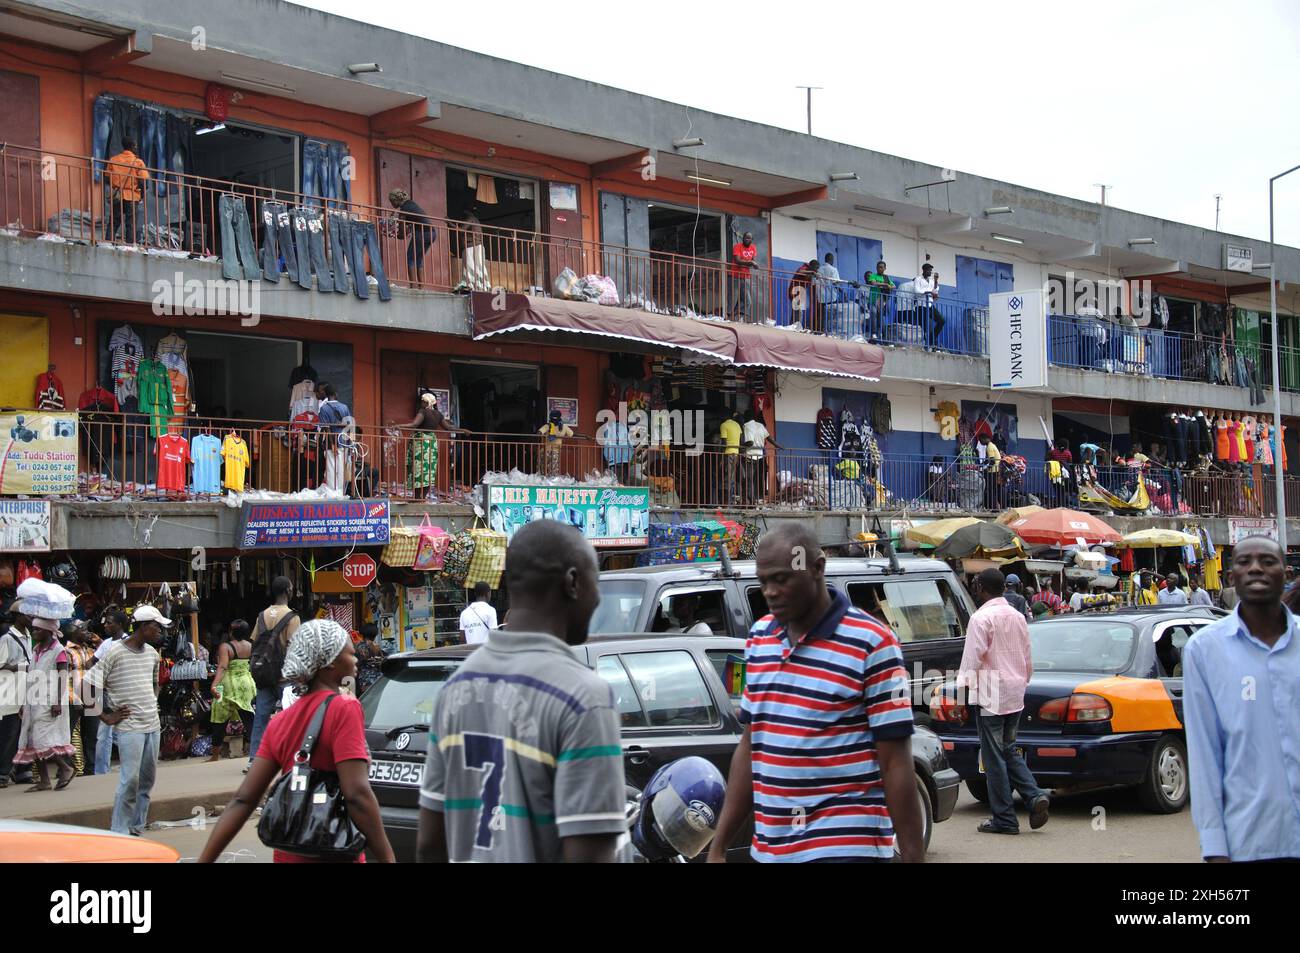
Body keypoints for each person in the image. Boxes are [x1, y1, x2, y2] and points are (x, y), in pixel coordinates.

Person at [708, 523, 922, 863]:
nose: (771, 591)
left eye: (782, 579)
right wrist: (719, 846)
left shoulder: (873, 642)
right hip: (771, 849)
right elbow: (751, 745)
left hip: (846, 847)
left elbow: (896, 761)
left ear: (818, 568)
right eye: (763, 582)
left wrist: (913, 855)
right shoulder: (758, 639)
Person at [416, 520, 625, 863]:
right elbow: (590, 854)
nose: (598, 597)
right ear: (573, 582)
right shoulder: (585, 698)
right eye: (596, 582)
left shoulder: (454, 689)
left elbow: (429, 844)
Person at [198, 619, 396, 863]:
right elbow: (356, 793)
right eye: (350, 653)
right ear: (329, 662)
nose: (356, 659)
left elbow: (243, 800)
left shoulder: (281, 721)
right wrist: (387, 856)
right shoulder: (345, 708)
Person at [1184, 536, 1300, 862]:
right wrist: (1214, 846)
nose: (1256, 569)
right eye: (1245, 562)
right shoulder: (1205, 650)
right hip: (1249, 842)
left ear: (1285, 572)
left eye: (1267, 561)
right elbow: (1205, 753)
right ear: (1231, 575)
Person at [958, 568, 1050, 835]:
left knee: (994, 756)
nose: (974, 589)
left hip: (990, 693)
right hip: (1014, 690)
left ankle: (1005, 819)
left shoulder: (981, 618)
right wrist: (1023, 680)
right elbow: (1027, 654)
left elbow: (973, 657)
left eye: (976, 585)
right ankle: (1033, 796)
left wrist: (962, 688)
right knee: (1007, 749)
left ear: (982, 588)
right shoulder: (1017, 615)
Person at [82, 605, 167, 835]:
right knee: (130, 780)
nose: (160, 631)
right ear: (142, 627)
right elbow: (87, 685)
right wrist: (105, 716)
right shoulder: (114, 652)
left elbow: (154, 684)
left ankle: (136, 827)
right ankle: (119, 830)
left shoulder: (152, 654)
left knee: (147, 782)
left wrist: (152, 703)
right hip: (130, 727)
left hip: (152, 724)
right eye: (156, 626)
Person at [13, 616, 76, 792]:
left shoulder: (59, 650)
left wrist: (57, 701)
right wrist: (24, 703)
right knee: (33, 739)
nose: (34, 632)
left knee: (43, 740)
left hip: (50, 701)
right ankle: (44, 780)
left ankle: (65, 767)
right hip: (34, 700)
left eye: (37, 630)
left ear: (48, 631)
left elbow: (63, 676)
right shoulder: (36, 650)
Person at [248, 576, 301, 769]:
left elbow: (255, 643)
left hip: (264, 674)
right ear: (288, 590)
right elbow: (294, 647)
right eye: (292, 587)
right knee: (291, 717)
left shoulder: (261, 615)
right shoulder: (292, 617)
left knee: (260, 717)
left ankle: (254, 758)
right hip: (284, 675)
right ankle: (291, 757)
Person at [391, 392, 471, 501]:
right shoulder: (438, 414)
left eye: (423, 401)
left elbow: (414, 424)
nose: (421, 403)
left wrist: (398, 426)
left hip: (421, 443)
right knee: (428, 472)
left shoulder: (423, 411)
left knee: (418, 470)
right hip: (432, 444)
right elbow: (449, 428)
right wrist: (463, 430)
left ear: (426, 402)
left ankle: (416, 497)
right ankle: (422, 498)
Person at [206, 620, 256, 762]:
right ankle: (256, 754)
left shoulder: (225, 646)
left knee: (219, 718)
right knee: (249, 718)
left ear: (231, 632)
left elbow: (222, 667)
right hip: (246, 684)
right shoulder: (250, 646)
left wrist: (214, 685)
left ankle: (215, 755)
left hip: (225, 685)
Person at [0, 601, 32, 787]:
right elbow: (1, 664)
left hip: (24, 693)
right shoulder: (7, 639)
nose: (31, 618)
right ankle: (3, 773)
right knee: (9, 734)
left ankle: (22, 771)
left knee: (24, 733)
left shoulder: (29, 636)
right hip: (9, 694)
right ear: (18, 616)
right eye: (27, 615)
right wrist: (23, 666)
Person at [61, 621, 97, 776]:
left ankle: (90, 767)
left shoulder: (90, 650)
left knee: (92, 734)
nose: (87, 632)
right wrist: (74, 698)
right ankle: (69, 768)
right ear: (74, 632)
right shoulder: (66, 651)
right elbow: (64, 678)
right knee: (68, 734)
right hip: (74, 696)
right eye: (84, 629)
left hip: (91, 696)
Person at [106, 136, 148, 243]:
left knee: (114, 221)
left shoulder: (113, 160)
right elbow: (143, 181)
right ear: (133, 146)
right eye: (136, 146)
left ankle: (108, 242)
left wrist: (117, 185)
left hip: (118, 195)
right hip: (132, 196)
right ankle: (129, 245)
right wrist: (142, 196)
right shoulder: (138, 162)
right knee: (131, 223)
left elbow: (107, 177)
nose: (136, 148)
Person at [388, 188, 435, 286]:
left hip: (421, 233)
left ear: (396, 200)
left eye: (391, 202)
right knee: (419, 258)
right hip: (432, 233)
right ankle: (421, 286)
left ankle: (413, 286)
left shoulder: (404, 210)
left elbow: (402, 233)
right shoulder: (411, 204)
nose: (392, 205)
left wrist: (395, 234)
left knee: (410, 258)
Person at [316, 382, 352, 494]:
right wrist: (350, 443)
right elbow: (349, 426)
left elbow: (326, 429)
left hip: (329, 443)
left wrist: (332, 444)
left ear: (326, 395)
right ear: (336, 394)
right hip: (344, 442)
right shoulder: (344, 407)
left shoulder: (324, 409)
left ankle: (332, 493)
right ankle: (341, 492)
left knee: (331, 469)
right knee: (341, 469)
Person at [742, 409, 781, 504]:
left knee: (748, 480)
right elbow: (769, 438)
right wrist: (780, 446)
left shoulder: (746, 426)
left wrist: (740, 447)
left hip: (750, 456)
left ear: (746, 417)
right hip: (760, 457)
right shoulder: (760, 425)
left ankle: (749, 502)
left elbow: (750, 442)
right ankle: (754, 500)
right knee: (756, 480)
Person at [538, 410, 582, 478]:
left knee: (549, 471)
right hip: (548, 451)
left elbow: (573, 434)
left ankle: (547, 483)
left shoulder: (560, 426)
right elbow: (539, 432)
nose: (554, 420)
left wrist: (584, 436)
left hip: (551, 451)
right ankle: (545, 483)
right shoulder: (551, 426)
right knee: (546, 470)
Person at [913, 261, 945, 350]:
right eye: (929, 270)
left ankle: (931, 340)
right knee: (925, 327)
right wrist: (928, 292)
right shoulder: (918, 279)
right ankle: (928, 344)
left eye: (931, 271)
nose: (930, 272)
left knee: (941, 320)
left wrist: (936, 281)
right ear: (924, 270)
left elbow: (935, 290)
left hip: (929, 305)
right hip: (920, 306)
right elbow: (916, 291)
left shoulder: (931, 281)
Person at [729, 230, 758, 322]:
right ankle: (728, 316)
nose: (747, 239)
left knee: (747, 300)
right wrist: (750, 262)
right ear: (743, 238)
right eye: (745, 237)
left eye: (749, 238)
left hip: (745, 276)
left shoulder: (753, 248)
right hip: (734, 275)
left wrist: (752, 263)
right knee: (732, 298)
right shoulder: (737, 246)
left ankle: (736, 316)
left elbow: (752, 261)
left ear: (752, 239)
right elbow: (737, 261)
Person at [863, 260, 893, 341]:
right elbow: (873, 283)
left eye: (881, 267)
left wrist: (887, 285)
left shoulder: (886, 277)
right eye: (878, 267)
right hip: (872, 301)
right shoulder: (873, 275)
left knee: (881, 319)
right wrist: (885, 285)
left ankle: (884, 337)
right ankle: (873, 333)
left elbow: (893, 286)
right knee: (873, 313)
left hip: (881, 301)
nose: (880, 269)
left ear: (885, 268)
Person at [354, 624, 386, 694]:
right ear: (374, 635)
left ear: (362, 634)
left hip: (364, 683)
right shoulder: (377, 648)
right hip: (378, 682)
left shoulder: (360, 647)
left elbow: (356, 664)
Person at [787, 258, 819, 330]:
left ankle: (793, 327)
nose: (817, 270)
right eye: (816, 268)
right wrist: (811, 272)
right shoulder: (805, 267)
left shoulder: (810, 272)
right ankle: (796, 328)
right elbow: (800, 271)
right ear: (812, 266)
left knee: (797, 311)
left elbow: (811, 284)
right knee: (798, 311)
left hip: (800, 292)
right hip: (795, 291)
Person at [720, 410, 743, 504]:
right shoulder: (737, 425)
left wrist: (721, 458)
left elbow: (724, 443)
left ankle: (728, 502)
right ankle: (731, 500)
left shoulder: (724, 425)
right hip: (736, 454)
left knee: (727, 478)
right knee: (732, 478)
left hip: (728, 454)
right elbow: (741, 441)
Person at [814, 252, 840, 335]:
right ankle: (829, 331)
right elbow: (836, 282)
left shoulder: (818, 269)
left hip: (820, 296)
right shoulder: (833, 269)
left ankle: (819, 330)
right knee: (831, 315)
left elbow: (814, 283)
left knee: (820, 314)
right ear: (831, 260)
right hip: (831, 296)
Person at [977, 433, 1002, 510]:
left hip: (993, 471)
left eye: (981, 440)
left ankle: (994, 508)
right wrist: (982, 464)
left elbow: (992, 461)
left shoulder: (989, 447)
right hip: (995, 470)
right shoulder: (992, 445)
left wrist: (985, 469)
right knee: (992, 490)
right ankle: (994, 507)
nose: (980, 442)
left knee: (991, 490)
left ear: (985, 439)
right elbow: (989, 459)